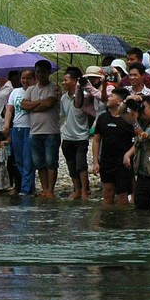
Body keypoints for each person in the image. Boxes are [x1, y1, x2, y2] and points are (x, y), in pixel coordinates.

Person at [22, 59, 59, 198]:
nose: (39, 75)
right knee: (39, 162)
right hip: (35, 130)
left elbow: (49, 103)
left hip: (51, 131)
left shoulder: (54, 88)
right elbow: (24, 105)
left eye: (42, 72)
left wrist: (33, 105)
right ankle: (44, 189)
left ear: (49, 73)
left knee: (51, 161)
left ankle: (51, 189)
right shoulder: (31, 89)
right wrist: (38, 103)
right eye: (37, 72)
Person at [93, 87, 135, 206]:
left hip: (123, 163)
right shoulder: (103, 118)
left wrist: (129, 154)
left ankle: (123, 220)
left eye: (111, 96)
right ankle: (106, 221)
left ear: (119, 101)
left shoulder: (128, 119)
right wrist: (95, 161)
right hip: (106, 161)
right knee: (107, 192)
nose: (108, 98)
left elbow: (139, 139)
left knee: (122, 194)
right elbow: (96, 140)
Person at [60, 66, 92, 201]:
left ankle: (85, 190)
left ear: (74, 81)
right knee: (71, 164)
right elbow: (63, 115)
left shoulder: (85, 97)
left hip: (81, 135)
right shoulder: (63, 98)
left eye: (65, 80)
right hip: (67, 136)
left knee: (81, 164)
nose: (63, 82)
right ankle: (77, 189)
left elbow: (90, 114)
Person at [2, 69, 35, 195]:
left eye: (28, 78)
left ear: (34, 79)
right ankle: (29, 187)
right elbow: (9, 109)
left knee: (28, 160)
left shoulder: (35, 91)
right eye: (23, 78)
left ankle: (25, 190)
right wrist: (6, 125)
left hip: (30, 128)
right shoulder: (15, 92)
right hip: (16, 127)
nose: (25, 81)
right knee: (18, 160)